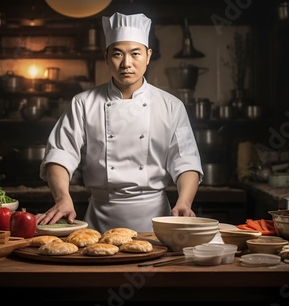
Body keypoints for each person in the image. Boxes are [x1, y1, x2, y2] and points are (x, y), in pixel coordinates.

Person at [36, 12, 203, 232]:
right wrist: (62, 198)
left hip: (157, 224)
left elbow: (186, 161)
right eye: (117, 54)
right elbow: (60, 154)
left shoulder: (171, 106)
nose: (126, 63)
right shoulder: (83, 103)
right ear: (106, 57)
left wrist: (184, 202)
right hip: (99, 223)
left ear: (148, 55)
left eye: (135, 54)